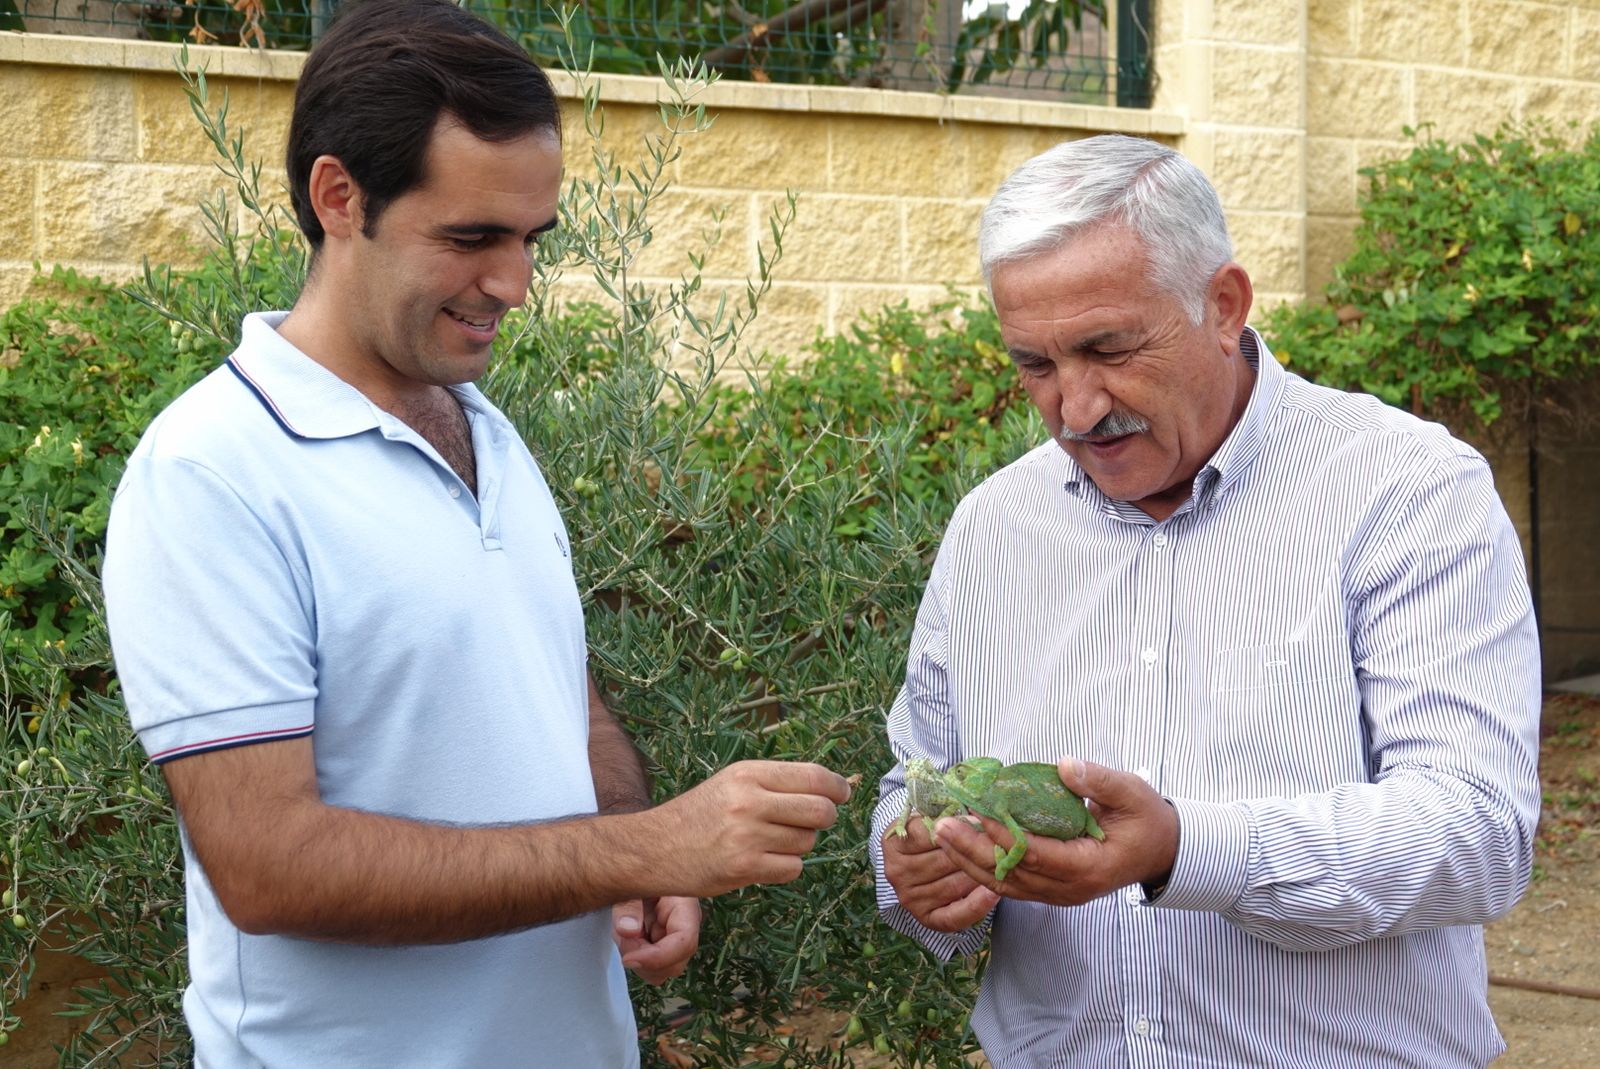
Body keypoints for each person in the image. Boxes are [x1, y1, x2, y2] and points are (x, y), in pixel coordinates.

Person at [102, 2, 849, 1066]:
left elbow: (558, 694)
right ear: (338, 197)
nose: (513, 284)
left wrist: (637, 858)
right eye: (470, 238)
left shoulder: (488, 433)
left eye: (530, 239)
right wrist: (641, 842)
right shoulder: (212, 473)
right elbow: (269, 867)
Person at [871, 134, 1541, 1068]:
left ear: (1223, 305)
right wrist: (915, 871)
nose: (1074, 408)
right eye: (1033, 365)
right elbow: (918, 774)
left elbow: (1476, 832)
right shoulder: (993, 529)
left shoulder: (1407, 492)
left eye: (1108, 348)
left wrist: (1184, 849)